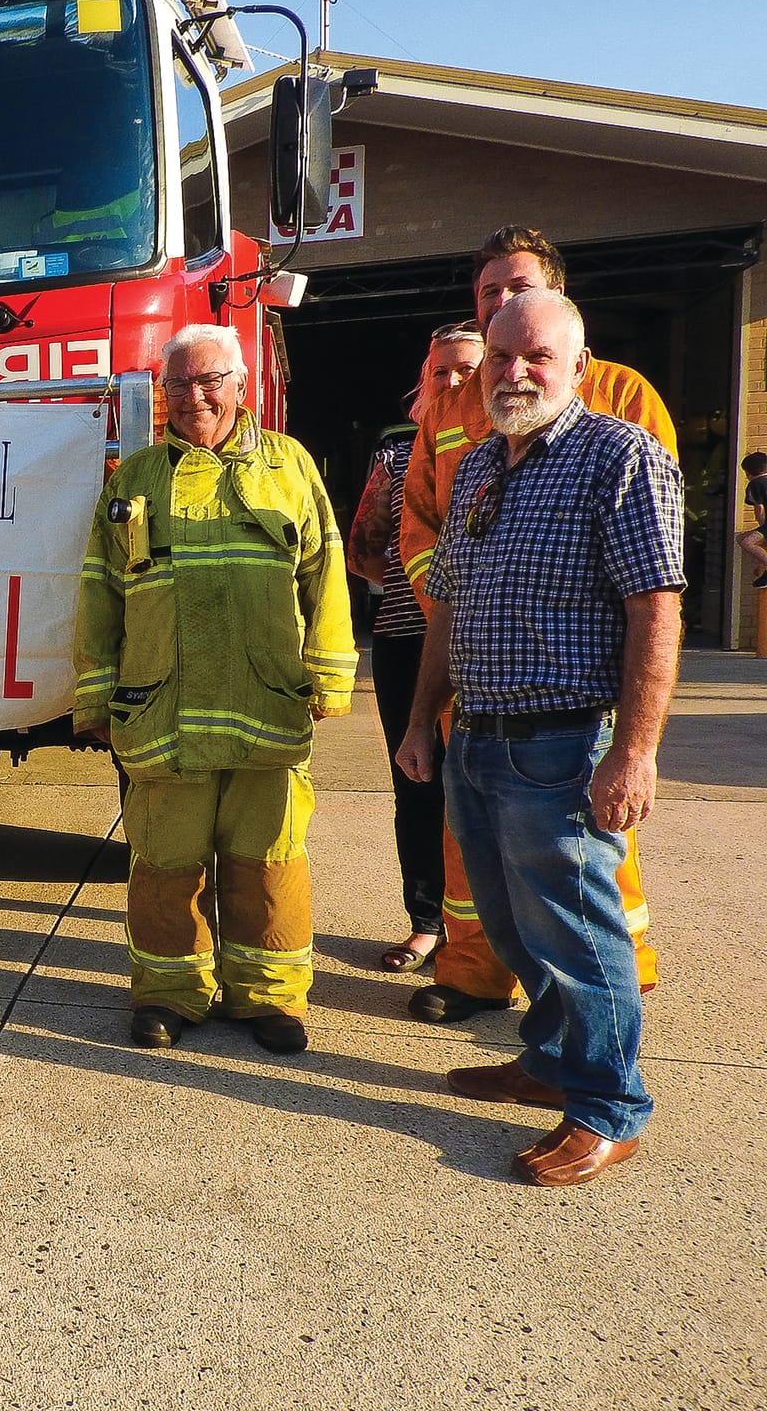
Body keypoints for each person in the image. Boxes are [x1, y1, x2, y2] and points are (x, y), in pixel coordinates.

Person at [398, 288, 683, 1187]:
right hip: (476, 739)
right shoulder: (480, 465)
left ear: (577, 366)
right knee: (517, 925)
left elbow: (654, 608)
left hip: (559, 746)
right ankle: (551, 1060)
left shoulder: (620, 457)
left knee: (581, 929)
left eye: (537, 357)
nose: (515, 372)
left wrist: (634, 752)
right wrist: (418, 720)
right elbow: (446, 607)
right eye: (501, 357)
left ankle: (608, 1107)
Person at [74, 324, 356, 1054]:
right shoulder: (134, 480)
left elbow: (325, 574)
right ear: (161, 396)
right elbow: (101, 593)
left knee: (269, 861)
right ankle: (169, 995)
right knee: (165, 864)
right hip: (163, 714)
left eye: (208, 381)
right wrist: (96, 698)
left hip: (266, 706)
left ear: (240, 385)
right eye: (178, 385)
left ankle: (268, 999)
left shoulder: (289, 465)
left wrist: (329, 675)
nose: (193, 397)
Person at [345, 323, 483, 972]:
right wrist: (416, 596)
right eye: (441, 372)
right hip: (408, 642)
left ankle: (485, 937)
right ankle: (427, 922)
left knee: (487, 794)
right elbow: (364, 549)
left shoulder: (519, 449)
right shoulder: (397, 458)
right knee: (419, 786)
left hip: (490, 651)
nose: (453, 382)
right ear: (421, 384)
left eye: (467, 370)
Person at [738, 450, 767, 587]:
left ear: (748, 473)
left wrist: (762, 527)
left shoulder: (755, 484)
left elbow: (759, 508)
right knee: (741, 538)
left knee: (747, 542)